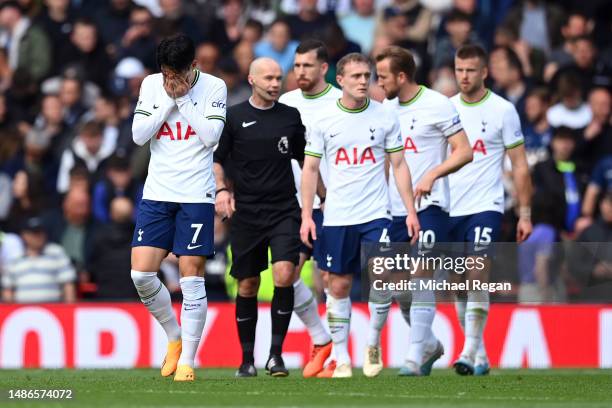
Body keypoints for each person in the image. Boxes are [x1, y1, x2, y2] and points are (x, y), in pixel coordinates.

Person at [300, 52, 420, 378]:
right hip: (338, 215)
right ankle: (340, 358)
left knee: (381, 280)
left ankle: (372, 343)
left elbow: (399, 164)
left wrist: (409, 211)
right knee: (337, 286)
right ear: (340, 80)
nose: (363, 81)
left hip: (376, 214)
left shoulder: (384, 117)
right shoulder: (324, 120)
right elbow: (310, 169)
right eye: (356, 77)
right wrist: (308, 215)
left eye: (367, 76)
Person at [364, 45, 473, 377]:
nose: (377, 84)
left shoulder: (437, 104)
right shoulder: (385, 110)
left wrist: (432, 174)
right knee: (397, 287)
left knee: (422, 272)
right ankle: (428, 344)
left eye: (382, 77)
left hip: (432, 205)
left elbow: (464, 151)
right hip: (394, 209)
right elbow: (387, 160)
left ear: (401, 76)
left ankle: (412, 355)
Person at [130, 34, 227, 382]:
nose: (171, 81)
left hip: (196, 194)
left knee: (191, 275)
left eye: (178, 75)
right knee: (141, 274)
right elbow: (139, 135)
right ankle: (173, 335)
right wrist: (168, 102)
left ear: (194, 67)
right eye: (166, 73)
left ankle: (188, 359)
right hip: (158, 191)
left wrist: (183, 101)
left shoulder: (214, 87)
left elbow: (211, 136)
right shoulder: (151, 84)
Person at [213, 57, 305, 378]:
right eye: (268, 78)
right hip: (247, 212)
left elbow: (307, 161)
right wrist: (222, 191)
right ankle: (247, 359)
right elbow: (217, 160)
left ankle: (276, 356)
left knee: (284, 274)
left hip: (284, 209)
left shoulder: (291, 118)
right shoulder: (234, 117)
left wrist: (316, 201)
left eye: (279, 78)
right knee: (248, 283)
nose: (275, 83)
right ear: (252, 80)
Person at [449, 44, 532, 376]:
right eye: (459, 70)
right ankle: (479, 351)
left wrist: (524, 212)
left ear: (484, 72)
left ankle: (468, 350)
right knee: (456, 282)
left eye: (470, 70)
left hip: (486, 204)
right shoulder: (445, 109)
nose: (464, 76)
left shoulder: (503, 110)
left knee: (476, 270)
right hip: (450, 206)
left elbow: (520, 164)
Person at [278, 39, 342, 378]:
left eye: (306, 65)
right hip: (294, 205)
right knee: (285, 274)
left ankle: (335, 358)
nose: (299, 71)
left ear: (323, 68)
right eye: (296, 65)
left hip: (334, 206)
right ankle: (321, 338)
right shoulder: (286, 104)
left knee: (332, 280)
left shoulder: (340, 102)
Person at [2, 216, 76, 303]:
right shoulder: (15, 257)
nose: (38, 236)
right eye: (34, 233)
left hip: (53, 312)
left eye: (41, 232)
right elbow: (8, 289)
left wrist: (69, 308)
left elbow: (68, 284)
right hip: (22, 313)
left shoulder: (56, 252)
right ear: (24, 235)